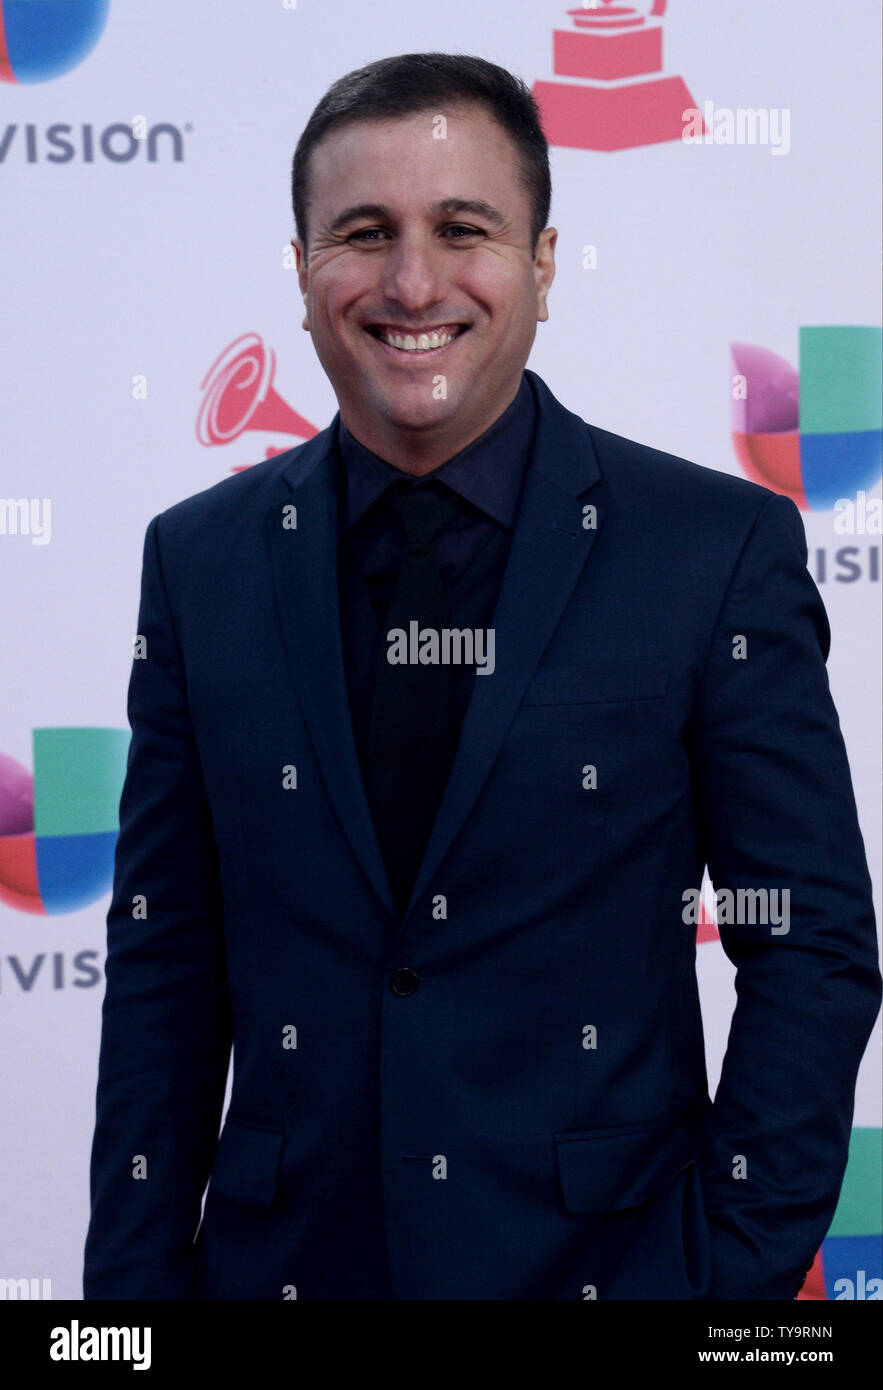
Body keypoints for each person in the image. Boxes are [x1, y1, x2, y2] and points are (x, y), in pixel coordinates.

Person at [84, 53, 881, 1301]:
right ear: (300, 274)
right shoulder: (199, 563)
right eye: (363, 233)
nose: (412, 282)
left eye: (463, 229)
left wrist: (717, 1273)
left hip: (609, 1274)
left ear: (543, 265)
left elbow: (811, 943)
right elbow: (164, 963)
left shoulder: (710, 550)